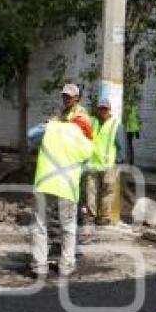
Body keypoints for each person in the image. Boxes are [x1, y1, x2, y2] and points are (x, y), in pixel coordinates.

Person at [29, 115, 94, 278]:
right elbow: (87, 160)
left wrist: (47, 123)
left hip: (44, 184)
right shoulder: (82, 138)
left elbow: (31, 136)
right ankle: (66, 266)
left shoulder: (52, 127)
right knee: (68, 227)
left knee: (40, 225)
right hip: (67, 189)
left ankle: (39, 267)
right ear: (85, 130)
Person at [84, 97, 126, 225]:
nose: (102, 111)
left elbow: (121, 146)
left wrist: (118, 161)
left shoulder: (115, 124)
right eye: (100, 108)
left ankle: (103, 217)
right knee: (90, 190)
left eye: (105, 108)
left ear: (109, 109)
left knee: (107, 191)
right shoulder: (92, 122)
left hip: (109, 165)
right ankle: (91, 216)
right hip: (93, 163)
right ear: (97, 109)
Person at [124, 101, 140, 165]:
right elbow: (137, 120)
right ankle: (131, 160)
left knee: (129, 146)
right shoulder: (135, 108)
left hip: (129, 130)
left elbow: (128, 120)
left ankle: (130, 160)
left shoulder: (128, 109)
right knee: (131, 146)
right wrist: (137, 131)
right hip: (134, 130)